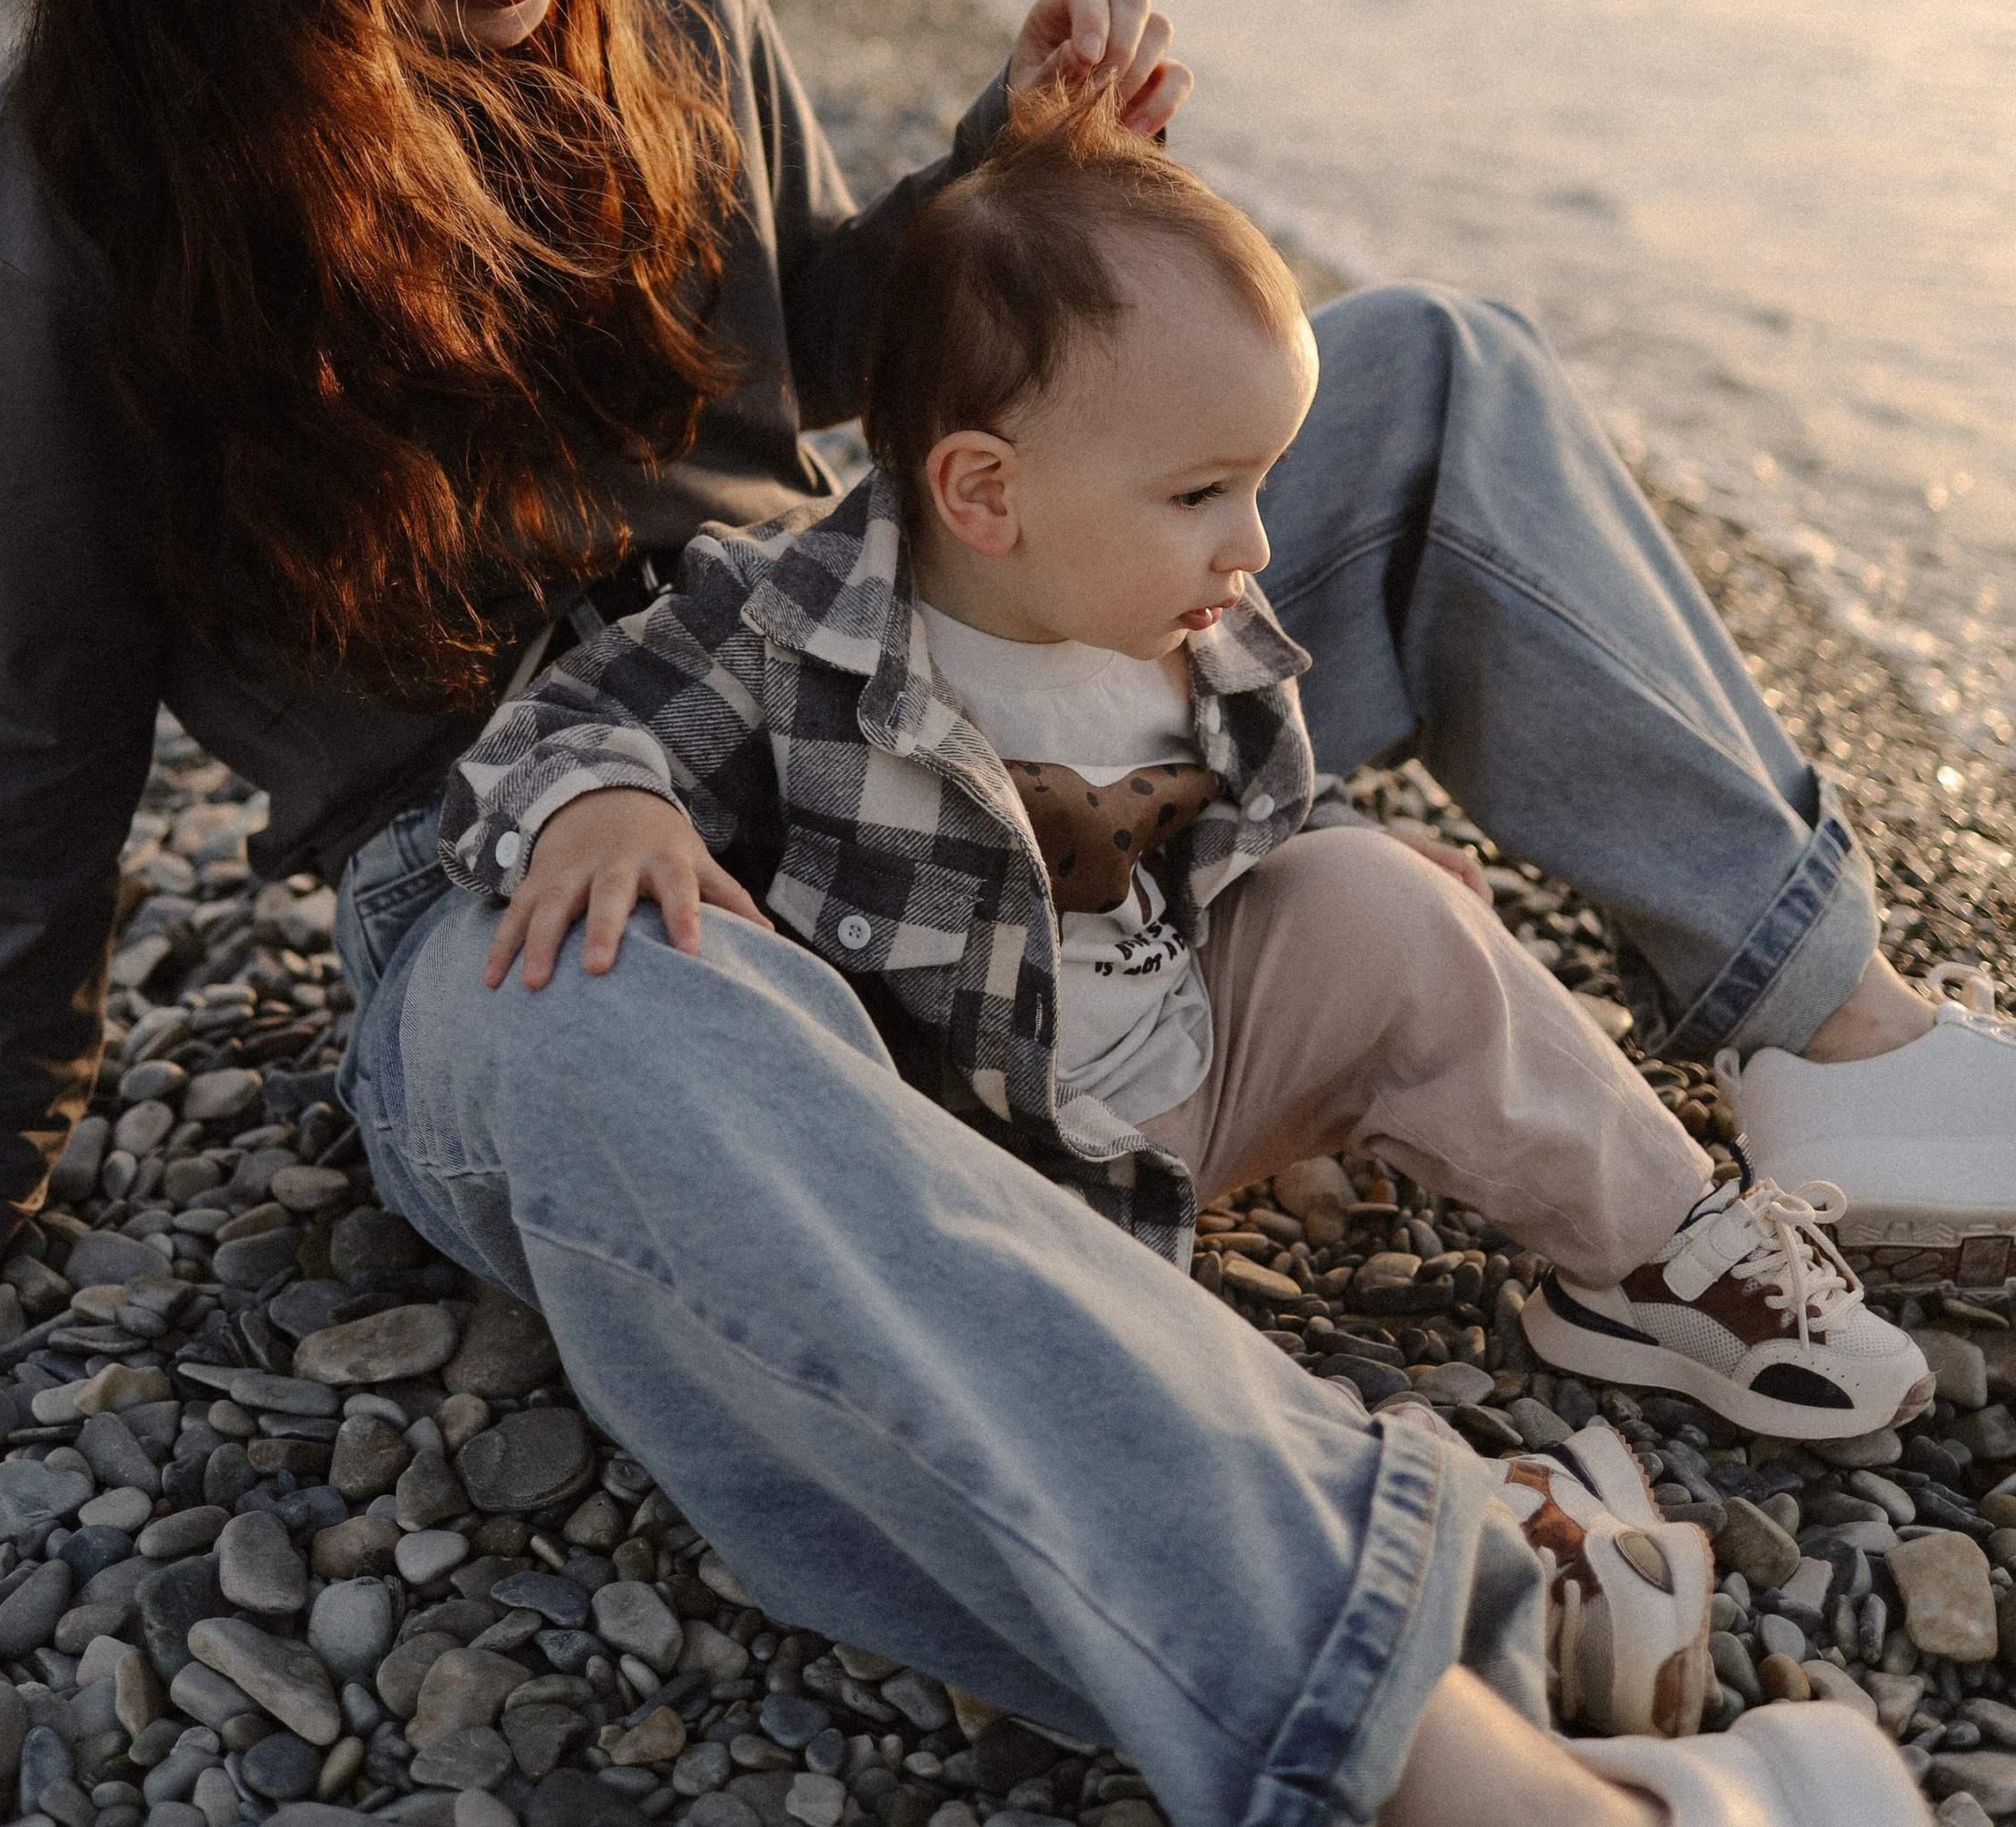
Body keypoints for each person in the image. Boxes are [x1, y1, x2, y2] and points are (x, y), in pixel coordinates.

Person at [0, 0, 1956, 1823]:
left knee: (1429, 378)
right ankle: (1458, 1741)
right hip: (515, 877)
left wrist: (997, 173)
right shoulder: (63, 209)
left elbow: (812, 332)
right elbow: (36, 710)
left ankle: (1840, 1034)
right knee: (627, 1050)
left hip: (860, 674)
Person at [440, 84, 1929, 1462]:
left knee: (1381, 901)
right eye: (1205, 493)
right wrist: (610, 802)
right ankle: (1325, 1484)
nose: (1259, 544)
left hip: (1188, 1074)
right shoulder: (790, 627)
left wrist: (1338, 866)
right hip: (986, 1188)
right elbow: (555, 727)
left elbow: (1231, 828)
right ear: (984, 491)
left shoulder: (1195, 624)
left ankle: (1666, 1252)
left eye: (1267, 483)